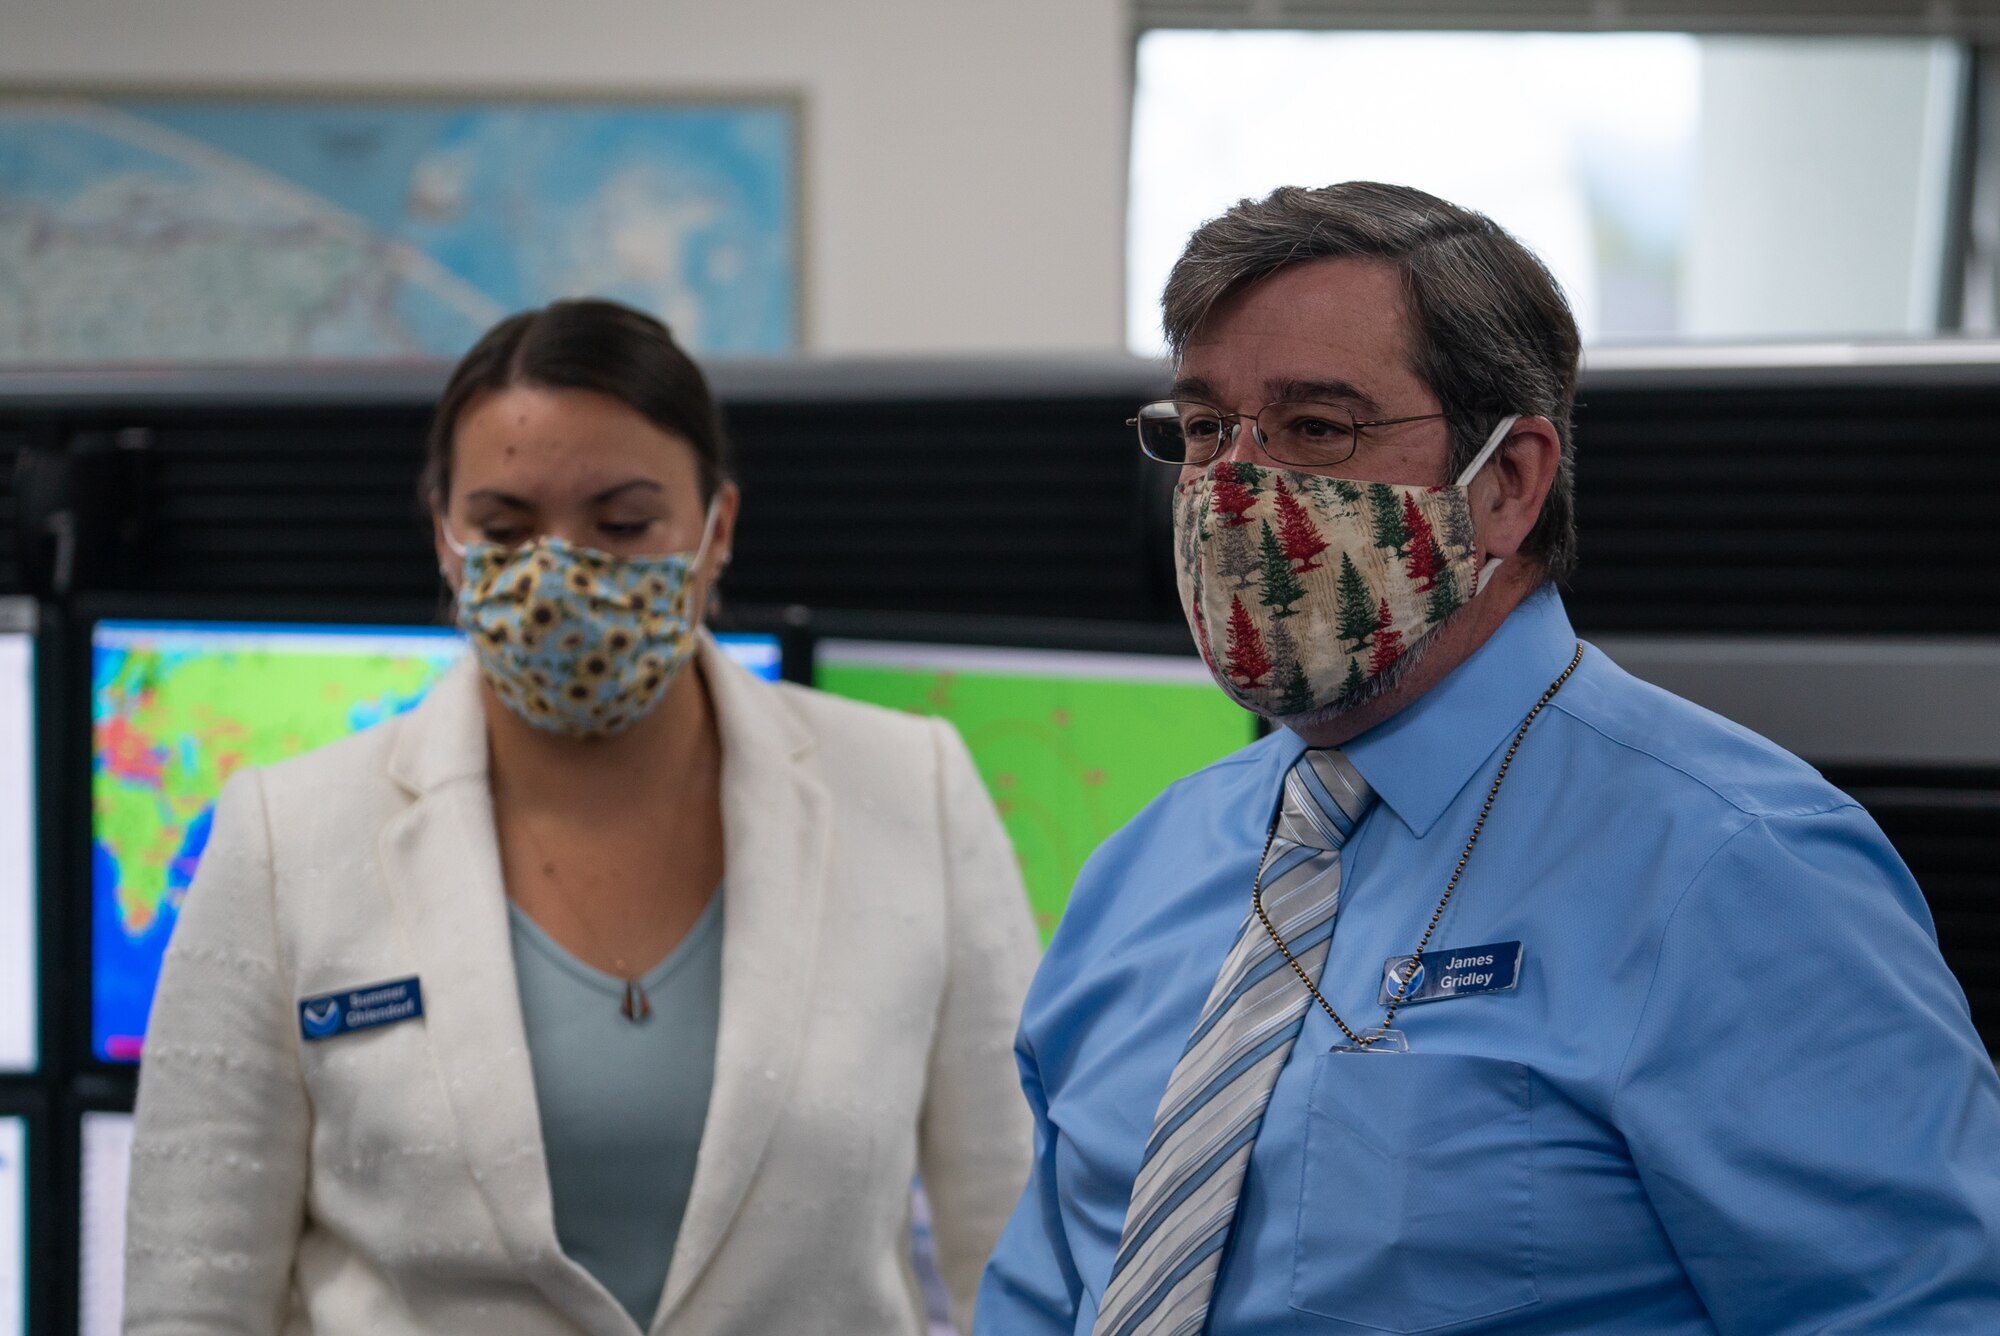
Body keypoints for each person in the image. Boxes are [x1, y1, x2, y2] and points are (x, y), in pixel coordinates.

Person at [976, 182, 2000, 1335]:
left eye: (1316, 428)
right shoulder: (1139, 870)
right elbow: (1043, 1293)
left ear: (1507, 481)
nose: (1232, 492)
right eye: (1205, 429)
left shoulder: (1735, 867)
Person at [124, 299, 1040, 1336]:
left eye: (621, 523)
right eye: (506, 529)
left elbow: (1018, 1255)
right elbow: (188, 1305)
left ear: (716, 530)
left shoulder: (910, 790)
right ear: (444, 538)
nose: (559, 575)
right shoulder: (286, 841)